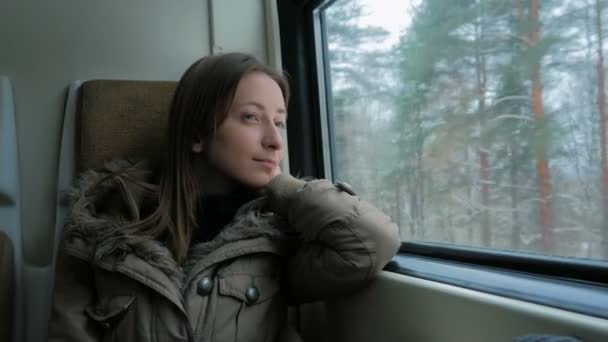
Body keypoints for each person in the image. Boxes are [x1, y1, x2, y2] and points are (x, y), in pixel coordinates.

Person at [48, 52, 400, 342]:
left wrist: (282, 186)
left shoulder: (274, 237)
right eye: (251, 117)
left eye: (279, 122)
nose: (275, 141)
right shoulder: (100, 228)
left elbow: (370, 244)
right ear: (198, 133)